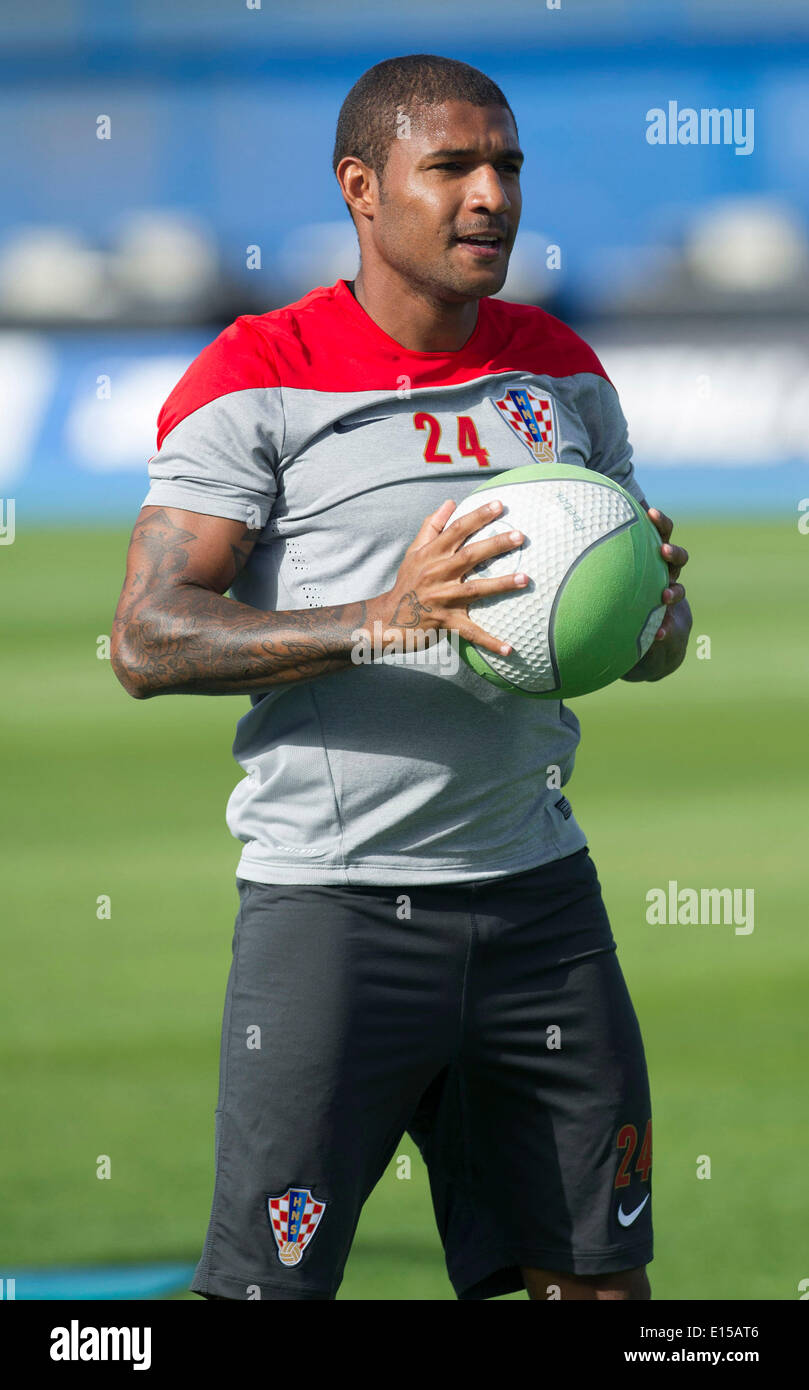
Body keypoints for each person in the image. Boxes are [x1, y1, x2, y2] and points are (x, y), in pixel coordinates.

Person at [110, 53, 691, 1301]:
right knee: (267, 1291)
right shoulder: (255, 373)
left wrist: (650, 612)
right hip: (335, 922)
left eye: (508, 167)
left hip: (540, 905)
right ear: (361, 188)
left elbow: (653, 647)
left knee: (597, 1285)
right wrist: (381, 617)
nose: (490, 196)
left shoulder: (560, 370)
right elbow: (147, 641)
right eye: (452, 168)